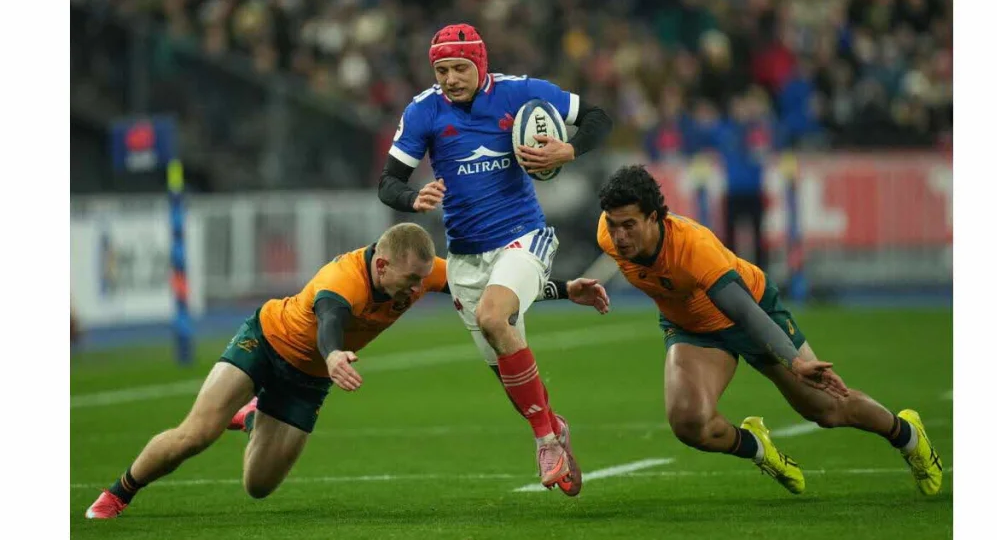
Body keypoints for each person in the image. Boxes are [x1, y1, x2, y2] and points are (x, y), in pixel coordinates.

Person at [85, 222, 609, 518]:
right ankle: (118, 492)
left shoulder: (419, 273)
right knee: (194, 434)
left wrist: (565, 289)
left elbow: (478, 287)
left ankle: (254, 415)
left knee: (258, 487)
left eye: (420, 280)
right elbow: (330, 318)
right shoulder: (345, 279)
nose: (415, 290)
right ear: (382, 265)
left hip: (308, 381)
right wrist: (334, 354)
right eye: (408, 280)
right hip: (266, 342)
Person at [595, 165, 942, 496]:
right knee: (689, 423)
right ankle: (757, 447)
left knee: (826, 409)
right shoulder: (606, 235)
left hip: (750, 312)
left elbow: (745, 311)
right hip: (691, 329)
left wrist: (795, 361)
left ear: (655, 218)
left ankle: (907, 434)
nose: (620, 236)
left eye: (629, 225)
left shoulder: (693, 248)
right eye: (613, 225)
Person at [377, 23, 612, 495]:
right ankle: (554, 426)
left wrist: (570, 147)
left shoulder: (520, 94)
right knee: (504, 361)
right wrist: (412, 197)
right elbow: (388, 182)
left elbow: (598, 117)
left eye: (460, 68)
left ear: (480, 65)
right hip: (465, 257)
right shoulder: (423, 111)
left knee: (492, 318)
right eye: (441, 69)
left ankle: (544, 439)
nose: (450, 78)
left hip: (523, 237)